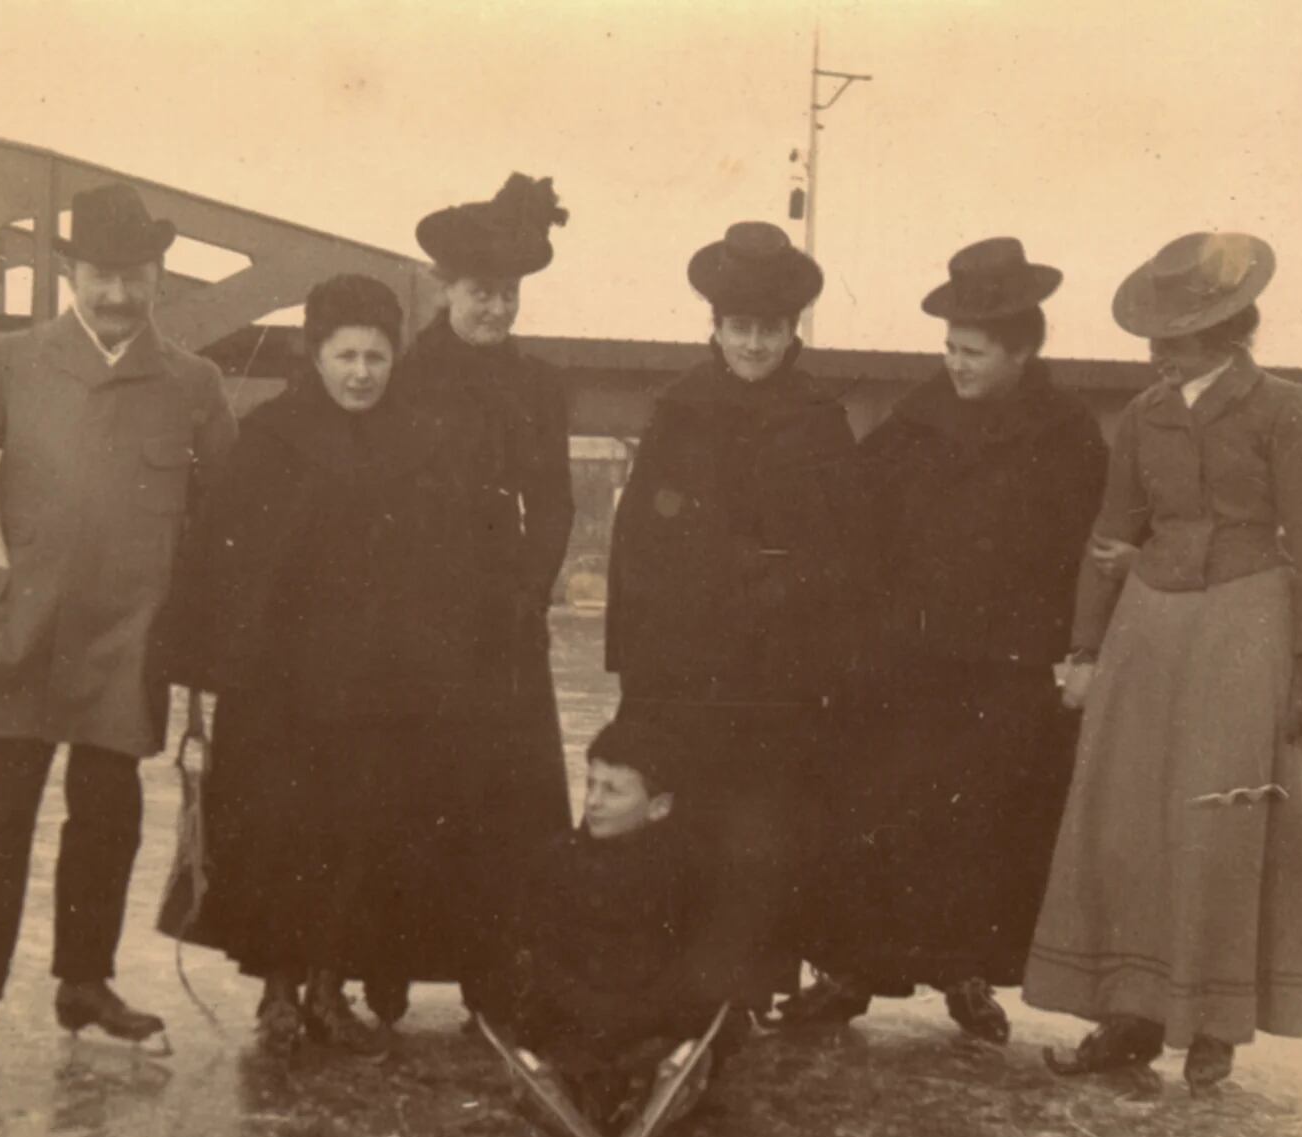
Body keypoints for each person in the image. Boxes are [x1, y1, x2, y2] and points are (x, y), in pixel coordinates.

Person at [1023, 232, 1302, 1093]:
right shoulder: (1143, 415)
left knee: (1221, 819)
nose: (1155, 351)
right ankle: (1132, 1013)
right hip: (1149, 626)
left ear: (1227, 332)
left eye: (1173, 335)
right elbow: (1110, 539)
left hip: (1250, 622)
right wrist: (1084, 644)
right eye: (1156, 335)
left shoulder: (1289, 411)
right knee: (1130, 819)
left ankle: (1215, 1022)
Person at [0, 182, 237, 1072]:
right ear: (73, 276)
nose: (118, 295)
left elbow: (223, 520)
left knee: (106, 818)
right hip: (21, 627)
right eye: (100, 277)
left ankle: (84, 983)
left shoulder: (194, 384)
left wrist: (204, 636)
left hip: (130, 639)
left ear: (156, 277)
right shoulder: (11, 359)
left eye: (134, 278)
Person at [775, 238, 1105, 1043]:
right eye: (950, 348)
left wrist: (1081, 649)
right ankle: (850, 971)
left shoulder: (1068, 435)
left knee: (984, 829)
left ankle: (966, 975)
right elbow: (854, 529)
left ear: (1023, 350)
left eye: (974, 352)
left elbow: (1091, 546)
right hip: (904, 663)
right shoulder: (912, 424)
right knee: (877, 816)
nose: (956, 365)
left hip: (1009, 670)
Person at [174, 273, 482, 1055]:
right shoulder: (271, 437)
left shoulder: (421, 440)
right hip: (282, 688)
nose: (360, 373)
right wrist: (213, 658)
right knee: (281, 834)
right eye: (345, 355)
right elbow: (223, 553)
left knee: (360, 836)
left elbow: (446, 562)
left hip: (384, 687)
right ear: (314, 354)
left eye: (376, 356)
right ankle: (279, 988)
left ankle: (329, 984)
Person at [605, 221, 866, 1022]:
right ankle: (674, 978)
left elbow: (847, 545)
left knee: (766, 826)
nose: (754, 345)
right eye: (740, 328)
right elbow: (639, 543)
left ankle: (753, 986)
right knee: (684, 815)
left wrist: (800, 609)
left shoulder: (820, 417)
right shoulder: (678, 409)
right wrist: (634, 659)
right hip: (686, 662)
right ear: (714, 327)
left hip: (781, 669)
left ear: (794, 331)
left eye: (771, 330)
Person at [395, 173, 577, 1025]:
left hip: (504, 622)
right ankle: (390, 961)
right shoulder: (403, 375)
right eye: (480, 293)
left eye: (506, 294)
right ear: (447, 289)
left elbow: (556, 501)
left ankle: (499, 975)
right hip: (419, 619)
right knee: (416, 793)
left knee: (509, 802)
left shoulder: (539, 385)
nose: (494, 309)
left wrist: (530, 591)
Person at [483, 718, 730, 1137]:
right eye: (591, 784)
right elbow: (536, 952)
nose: (593, 802)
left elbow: (699, 957)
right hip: (578, 1011)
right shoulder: (557, 861)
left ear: (658, 807)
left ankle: (663, 1084)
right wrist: (584, 1004)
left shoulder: (688, 867)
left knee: (684, 1031)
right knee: (561, 1042)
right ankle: (560, 1091)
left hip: (653, 1012)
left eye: (613, 791)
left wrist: (645, 1010)